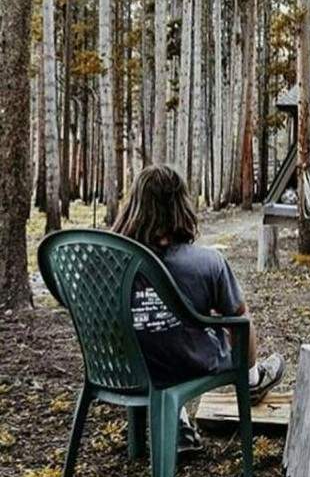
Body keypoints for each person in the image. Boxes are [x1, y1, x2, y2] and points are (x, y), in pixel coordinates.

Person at [112, 164, 285, 452]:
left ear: (134, 206)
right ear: (181, 206)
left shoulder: (106, 260)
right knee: (236, 319)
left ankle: (178, 424)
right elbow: (239, 320)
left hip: (121, 367)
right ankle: (253, 379)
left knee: (155, 334)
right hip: (186, 365)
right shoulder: (206, 262)